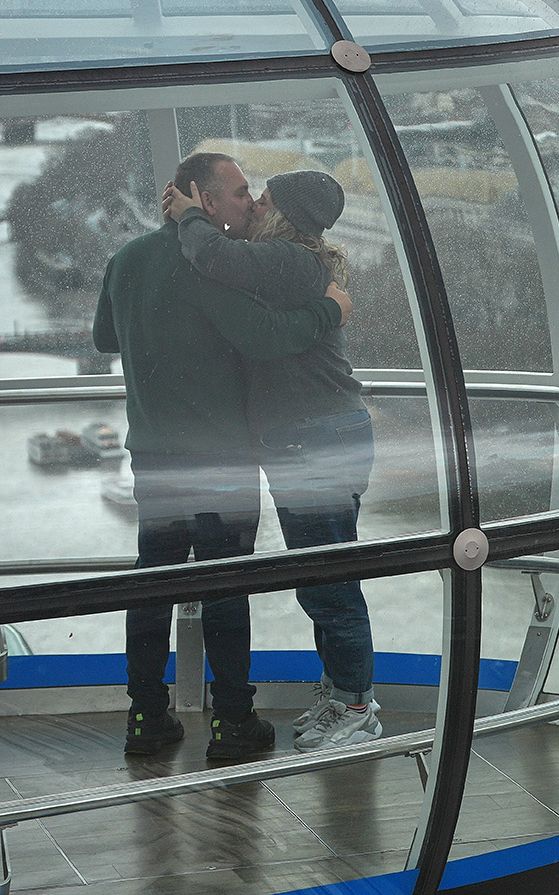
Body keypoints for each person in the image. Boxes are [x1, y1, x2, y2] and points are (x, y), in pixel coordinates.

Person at [95, 152, 349, 759]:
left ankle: (145, 717)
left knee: (152, 583)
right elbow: (264, 338)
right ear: (204, 201)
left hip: (153, 454)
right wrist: (329, 310)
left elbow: (106, 337)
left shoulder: (126, 258)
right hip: (221, 459)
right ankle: (233, 721)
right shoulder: (210, 266)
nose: (248, 203)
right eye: (238, 193)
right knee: (225, 585)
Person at [163, 171, 381, 752]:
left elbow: (215, 256)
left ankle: (356, 707)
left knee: (329, 583)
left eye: (264, 199)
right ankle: (341, 693)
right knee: (322, 577)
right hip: (316, 438)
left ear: (286, 215)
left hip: (316, 442)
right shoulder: (293, 265)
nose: (255, 205)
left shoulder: (290, 260)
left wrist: (189, 213)